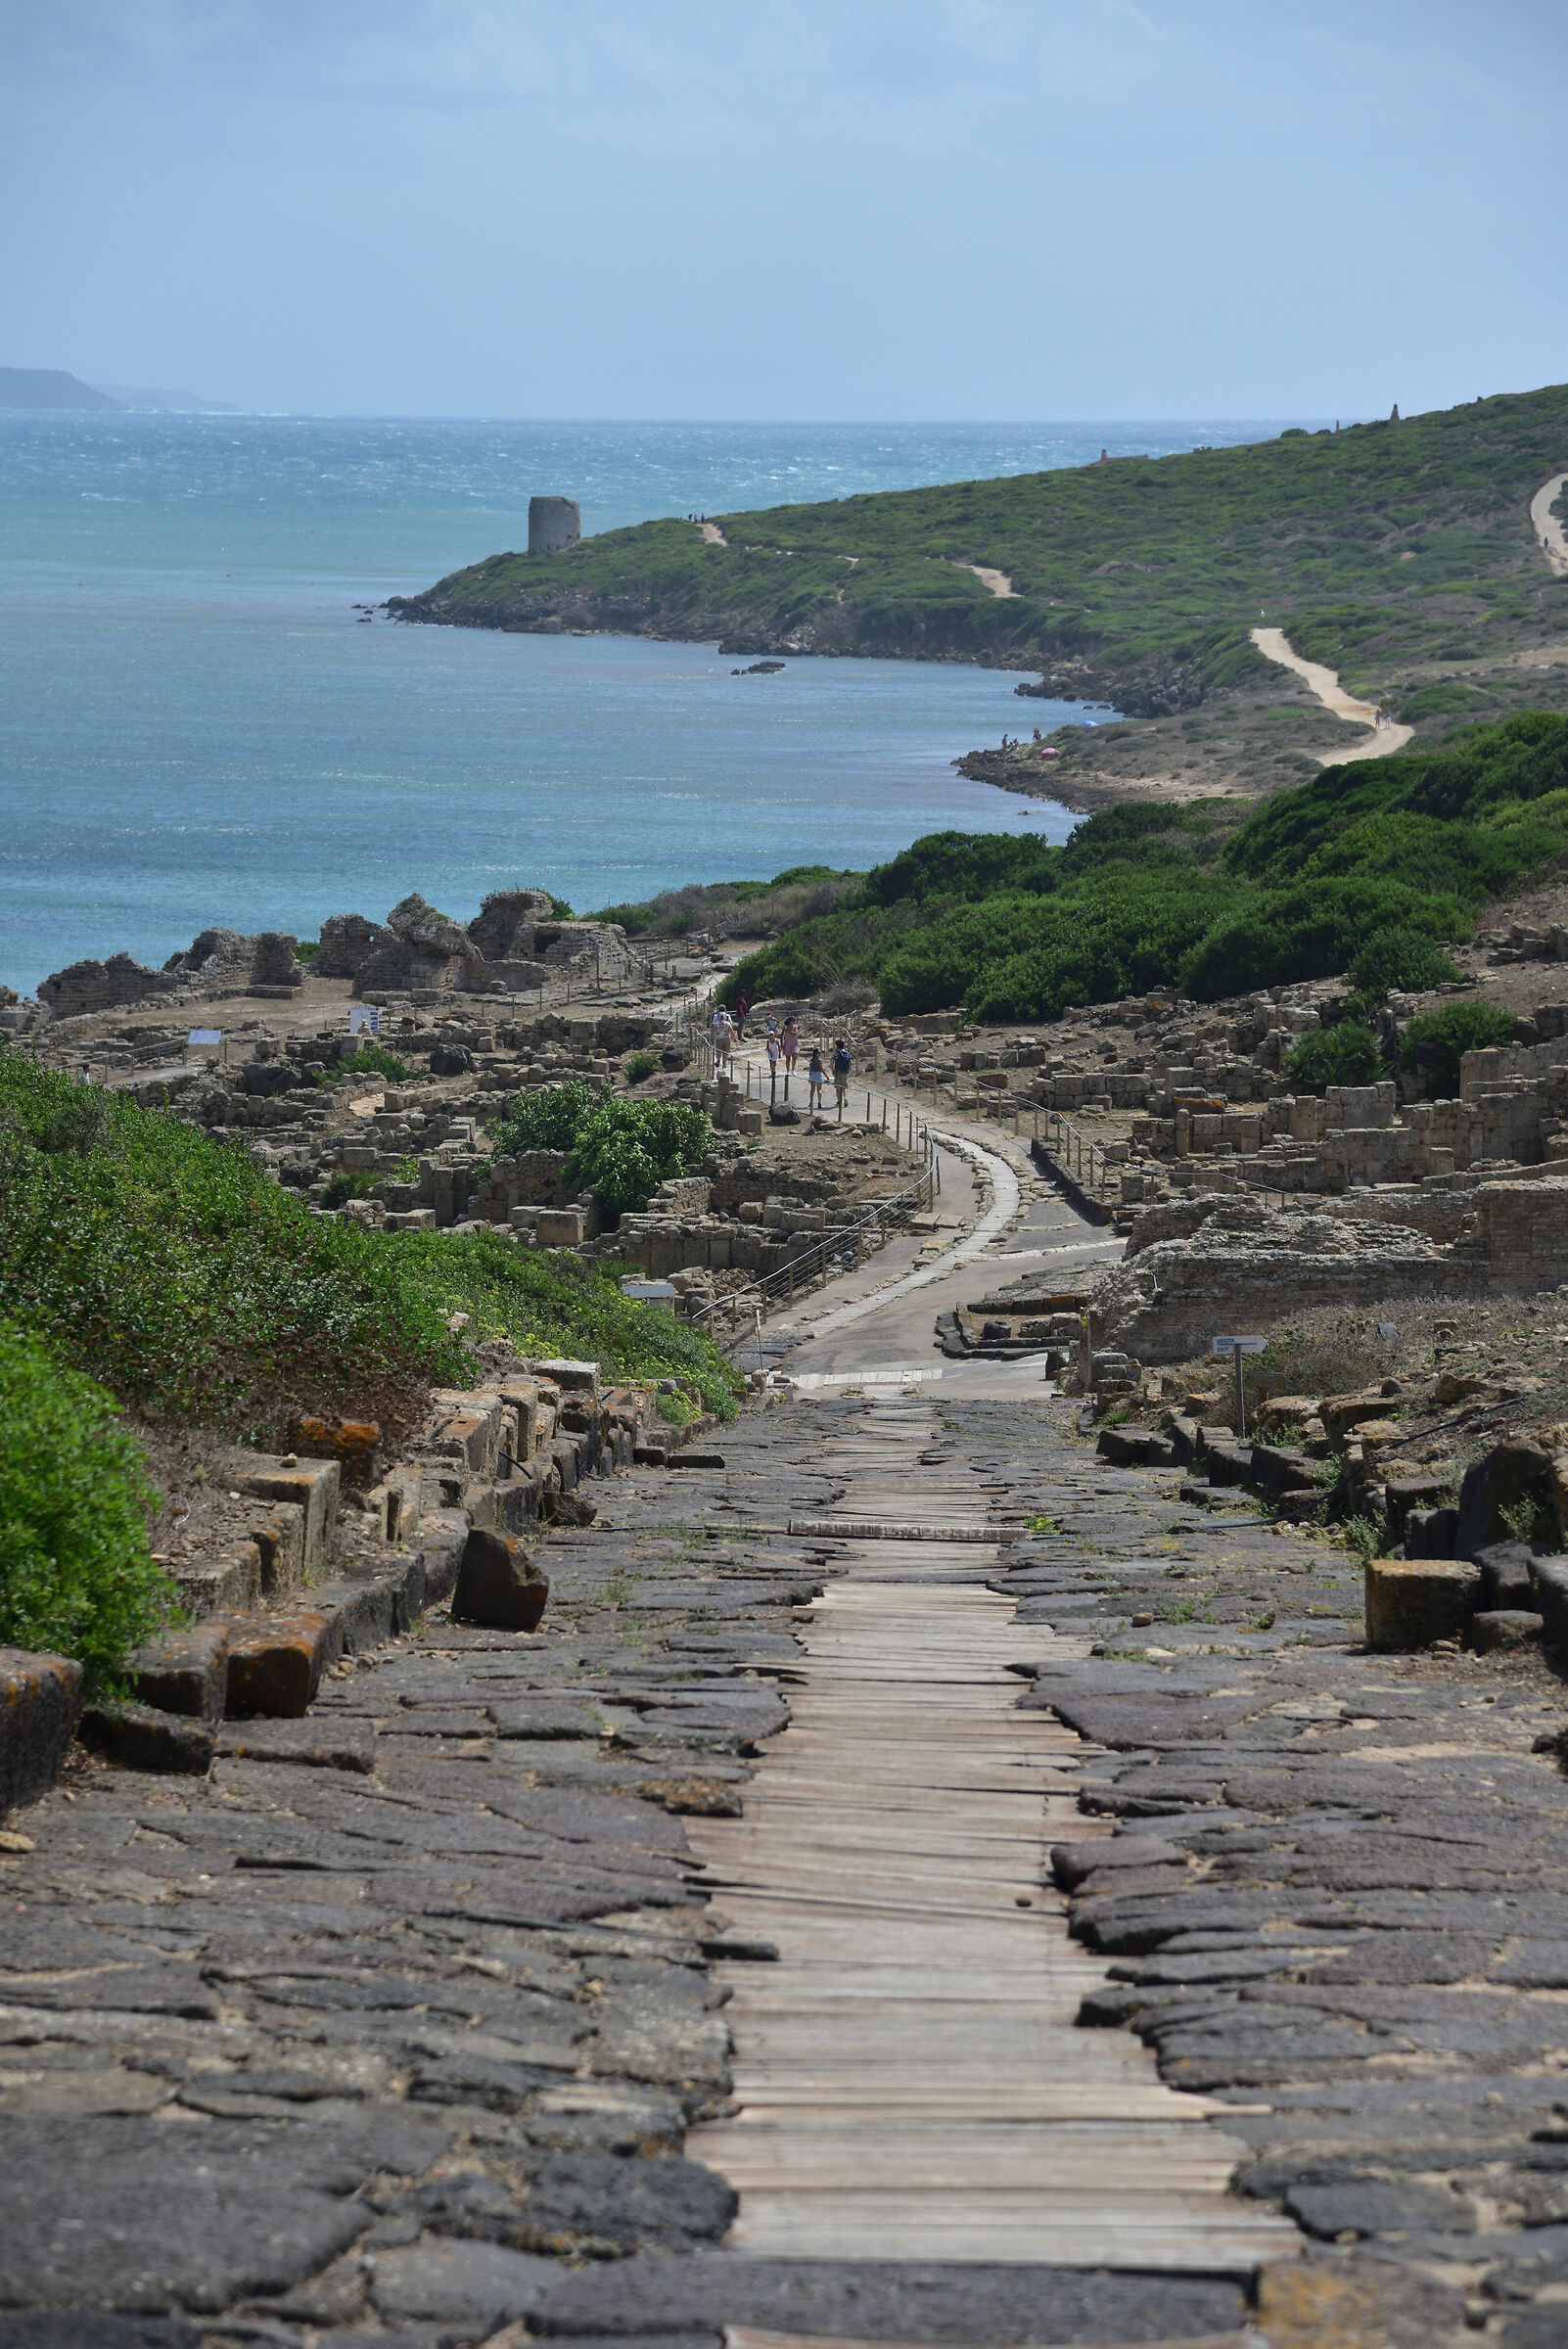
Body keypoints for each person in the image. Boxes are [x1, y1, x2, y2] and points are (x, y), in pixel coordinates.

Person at [832, 1036, 852, 1112]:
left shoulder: (836, 1054)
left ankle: (839, 1101)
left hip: (838, 1072)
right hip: (844, 1072)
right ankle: (845, 1097)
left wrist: (833, 1071)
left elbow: (831, 1064)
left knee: (837, 1087)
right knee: (844, 1086)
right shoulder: (846, 1053)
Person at [807, 1046, 826, 1112]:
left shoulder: (811, 1061)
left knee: (812, 1089)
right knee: (819, 1089)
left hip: (813, 1075)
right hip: (818, 1074)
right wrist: (826, 1075)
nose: (820, 1054)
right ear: (816, 1054)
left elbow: (810, 1070)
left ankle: (811, 1102)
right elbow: (821, 1068)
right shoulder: (819, 1061)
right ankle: (819, 1102)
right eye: (819, 1053)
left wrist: (810, 1077)